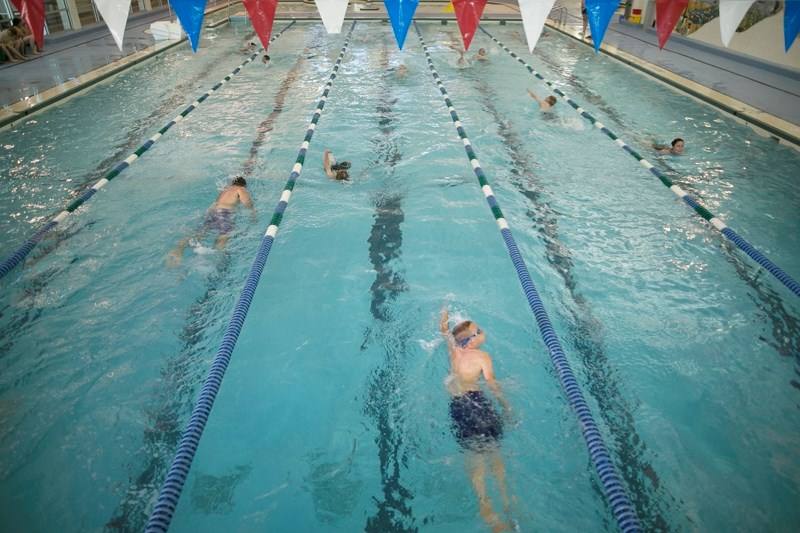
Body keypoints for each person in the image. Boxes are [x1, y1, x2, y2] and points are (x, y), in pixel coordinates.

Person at [440, 307, 513, 533]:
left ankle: (484, 503)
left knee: (473, 452)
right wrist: (505, 405)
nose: (482, 332)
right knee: (493, 449)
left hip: (459, 407)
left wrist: (443, 318)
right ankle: (506, 497)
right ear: (471, 341)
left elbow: (445, 333)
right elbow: (492, 384)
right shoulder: (483, 356)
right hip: (478, 403)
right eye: (478, 330)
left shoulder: (453, 352)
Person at [166, 176, 255, 267]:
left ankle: (178, 249)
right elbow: (247, 201)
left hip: (213, 212)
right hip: (225, 213)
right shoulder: (240, 188)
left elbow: (216, 203)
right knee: (223, 238)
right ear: (244, 185)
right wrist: (253, 211)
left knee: (200, 233)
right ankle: (217, 263)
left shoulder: (225, 189)